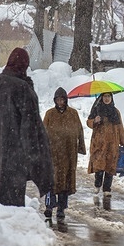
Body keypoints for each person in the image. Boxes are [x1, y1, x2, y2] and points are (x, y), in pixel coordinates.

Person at [0, 47, 54, 207]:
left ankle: (5, 213)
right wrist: (37, 154)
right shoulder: (22, 88)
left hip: (1, 139)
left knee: (5, 180)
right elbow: (31, 125)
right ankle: (12, 218)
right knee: (14, 189)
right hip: (18, 145)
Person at [42, 87, 86, 222]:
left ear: (66, 100)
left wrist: (81, 147)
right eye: (58, 99)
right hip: (53, 154)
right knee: (52, 180)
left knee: (65, 182)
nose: (60, 102)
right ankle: (49, 206)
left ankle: (61, 208)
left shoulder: (73, 114)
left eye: (62, 99)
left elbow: (79, 130)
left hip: (68, 154)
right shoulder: (50, 114)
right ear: (55, 100)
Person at [87, 92, 124, 197]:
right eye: (105, 96)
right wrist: (95, 121)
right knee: (99, 166)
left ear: (111, 98)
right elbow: (89, 123)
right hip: (99, 143)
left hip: (112, 143)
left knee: (110, 166)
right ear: (101, 98)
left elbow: (120, 127)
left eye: (108, 96)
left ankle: (107, 189)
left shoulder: (115, 112)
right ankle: (97, 184)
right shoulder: (96, 110)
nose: (106, 98)